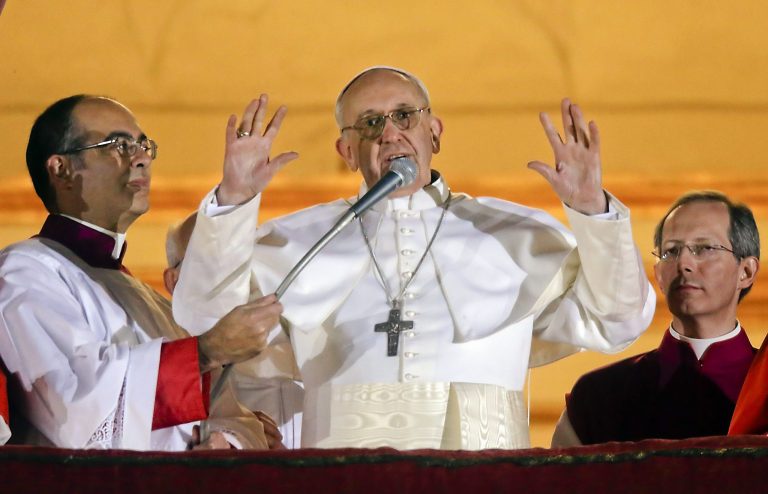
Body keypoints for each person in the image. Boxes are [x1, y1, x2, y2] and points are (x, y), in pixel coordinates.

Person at [173, 66, 655, 450]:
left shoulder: (512, 233)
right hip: (341, 473)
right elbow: (206, 320)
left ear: (435, 131)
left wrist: (592, 211)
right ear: (346, 149)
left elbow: (619, 319)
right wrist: (234, 200)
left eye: (405, 116)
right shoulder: (300, 241)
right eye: (371, 123)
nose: (390, 134)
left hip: (484, 470)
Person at [0, 94, 284, 450]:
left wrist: (229, 440)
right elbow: (71, 407)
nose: (142, 159)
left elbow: (230, 418)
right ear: (62, 169)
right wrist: (204, 353)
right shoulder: (26, 270)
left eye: (144, 145)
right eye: (119, 145)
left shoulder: (153, 302)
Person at [552, 191, 760, 446]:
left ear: (746, 271)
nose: (684, 262)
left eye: (705, 248)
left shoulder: (764, 384)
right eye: (671, 251)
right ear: (659, 276)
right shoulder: (597, 397)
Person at [165, 214, 303, 448]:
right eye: (209, 262)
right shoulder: (168, 362)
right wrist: (244, 435)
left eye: (244, 259)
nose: (235, 279)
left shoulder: (307, 338)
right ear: (174, 281)